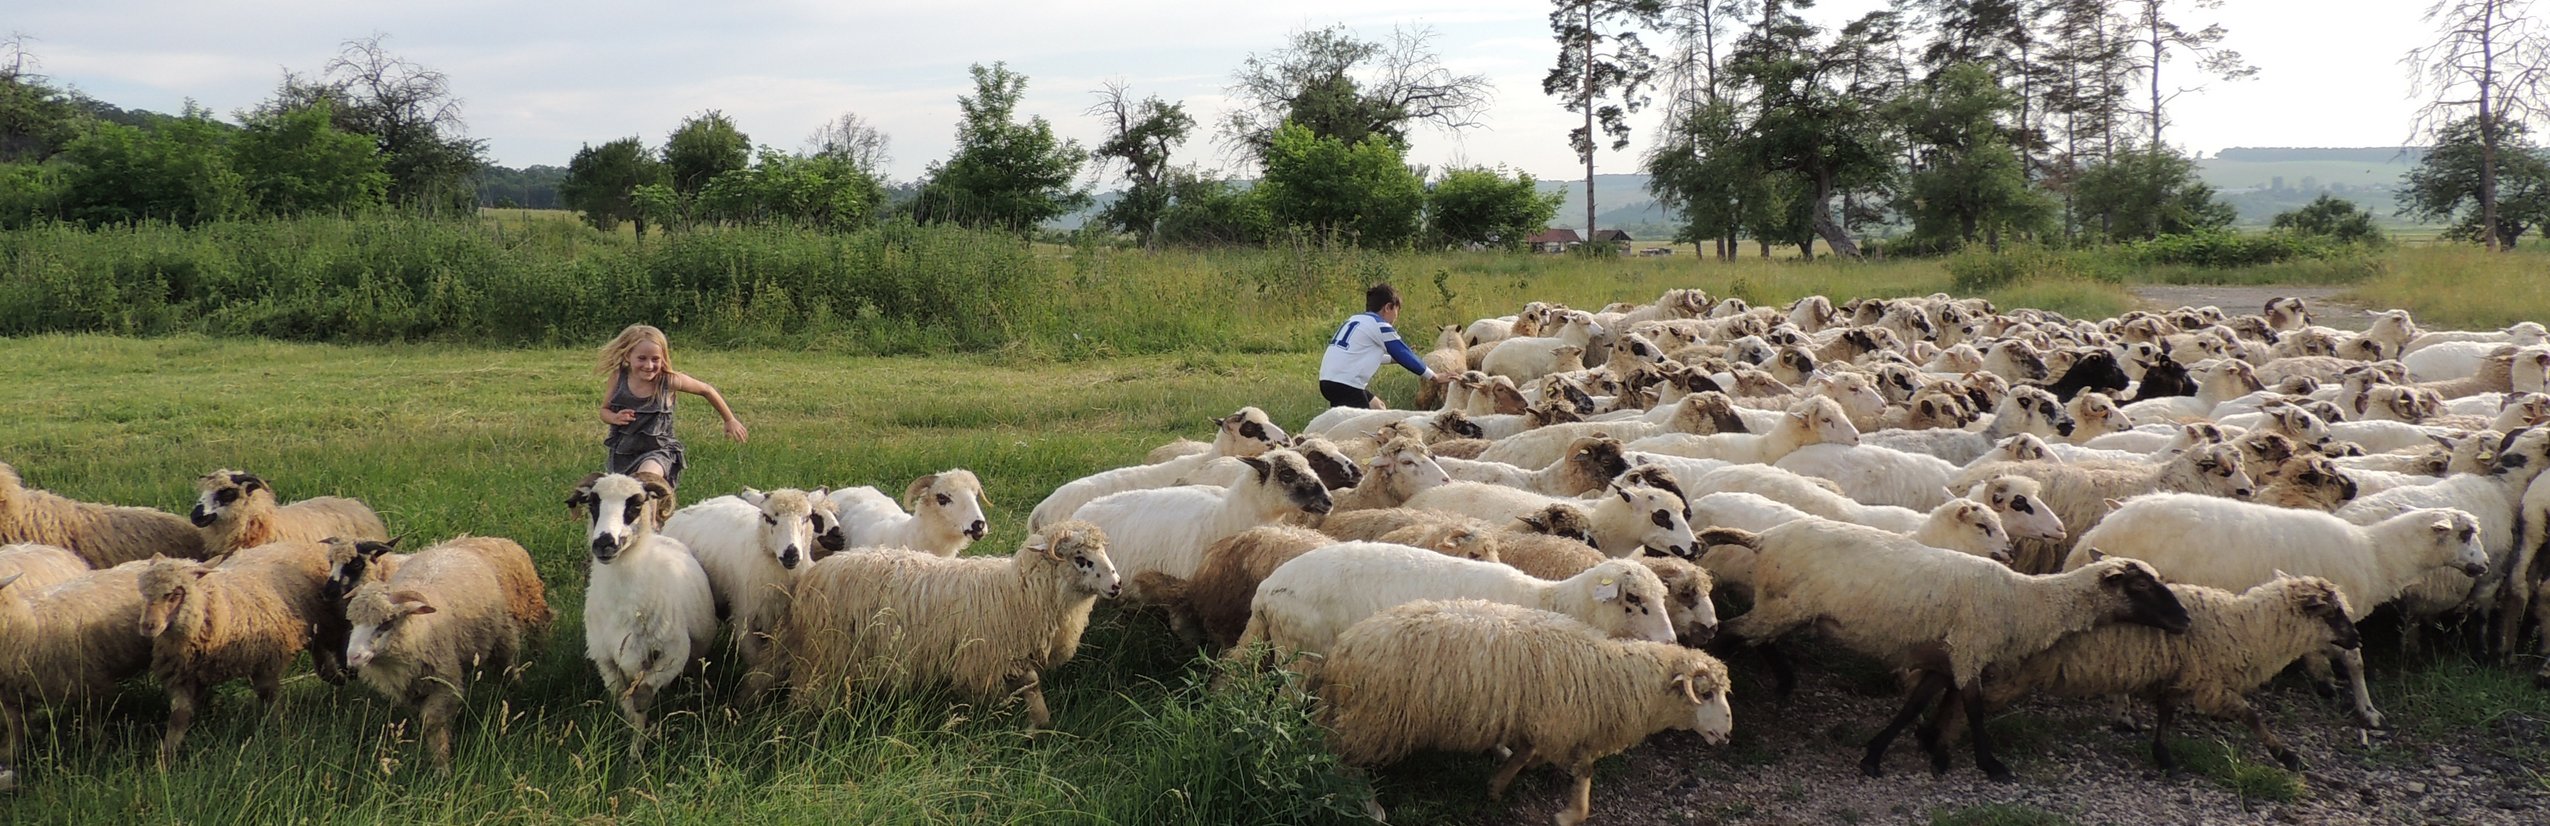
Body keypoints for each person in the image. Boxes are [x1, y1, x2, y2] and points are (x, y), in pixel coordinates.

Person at [596, 324, 746, 516]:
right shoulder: (618, 378)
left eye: (655, 359)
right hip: (624, 452)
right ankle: (643, 523)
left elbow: (706, 390)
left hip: (659, 450)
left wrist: (729, 420)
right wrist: (615, 417)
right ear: (628, 356)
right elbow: (604, 411)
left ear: (663, 358)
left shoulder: (668, 380)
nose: (649, 365)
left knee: (646, 480)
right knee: (626, 498)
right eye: (642, 358)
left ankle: (651, 526)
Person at [1319, 284, 1454, 410]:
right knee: (1362, 429)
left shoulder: (1354, 320)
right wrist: (1434, 376)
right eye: (1397, 311)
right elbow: (1404, 354)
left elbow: (1361, 354)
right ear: (1388, 307)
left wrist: (1393, 359)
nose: (1396, 317)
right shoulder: (1380, 325)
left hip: (1329, 381)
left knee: (1379, 407)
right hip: (1346, 385)